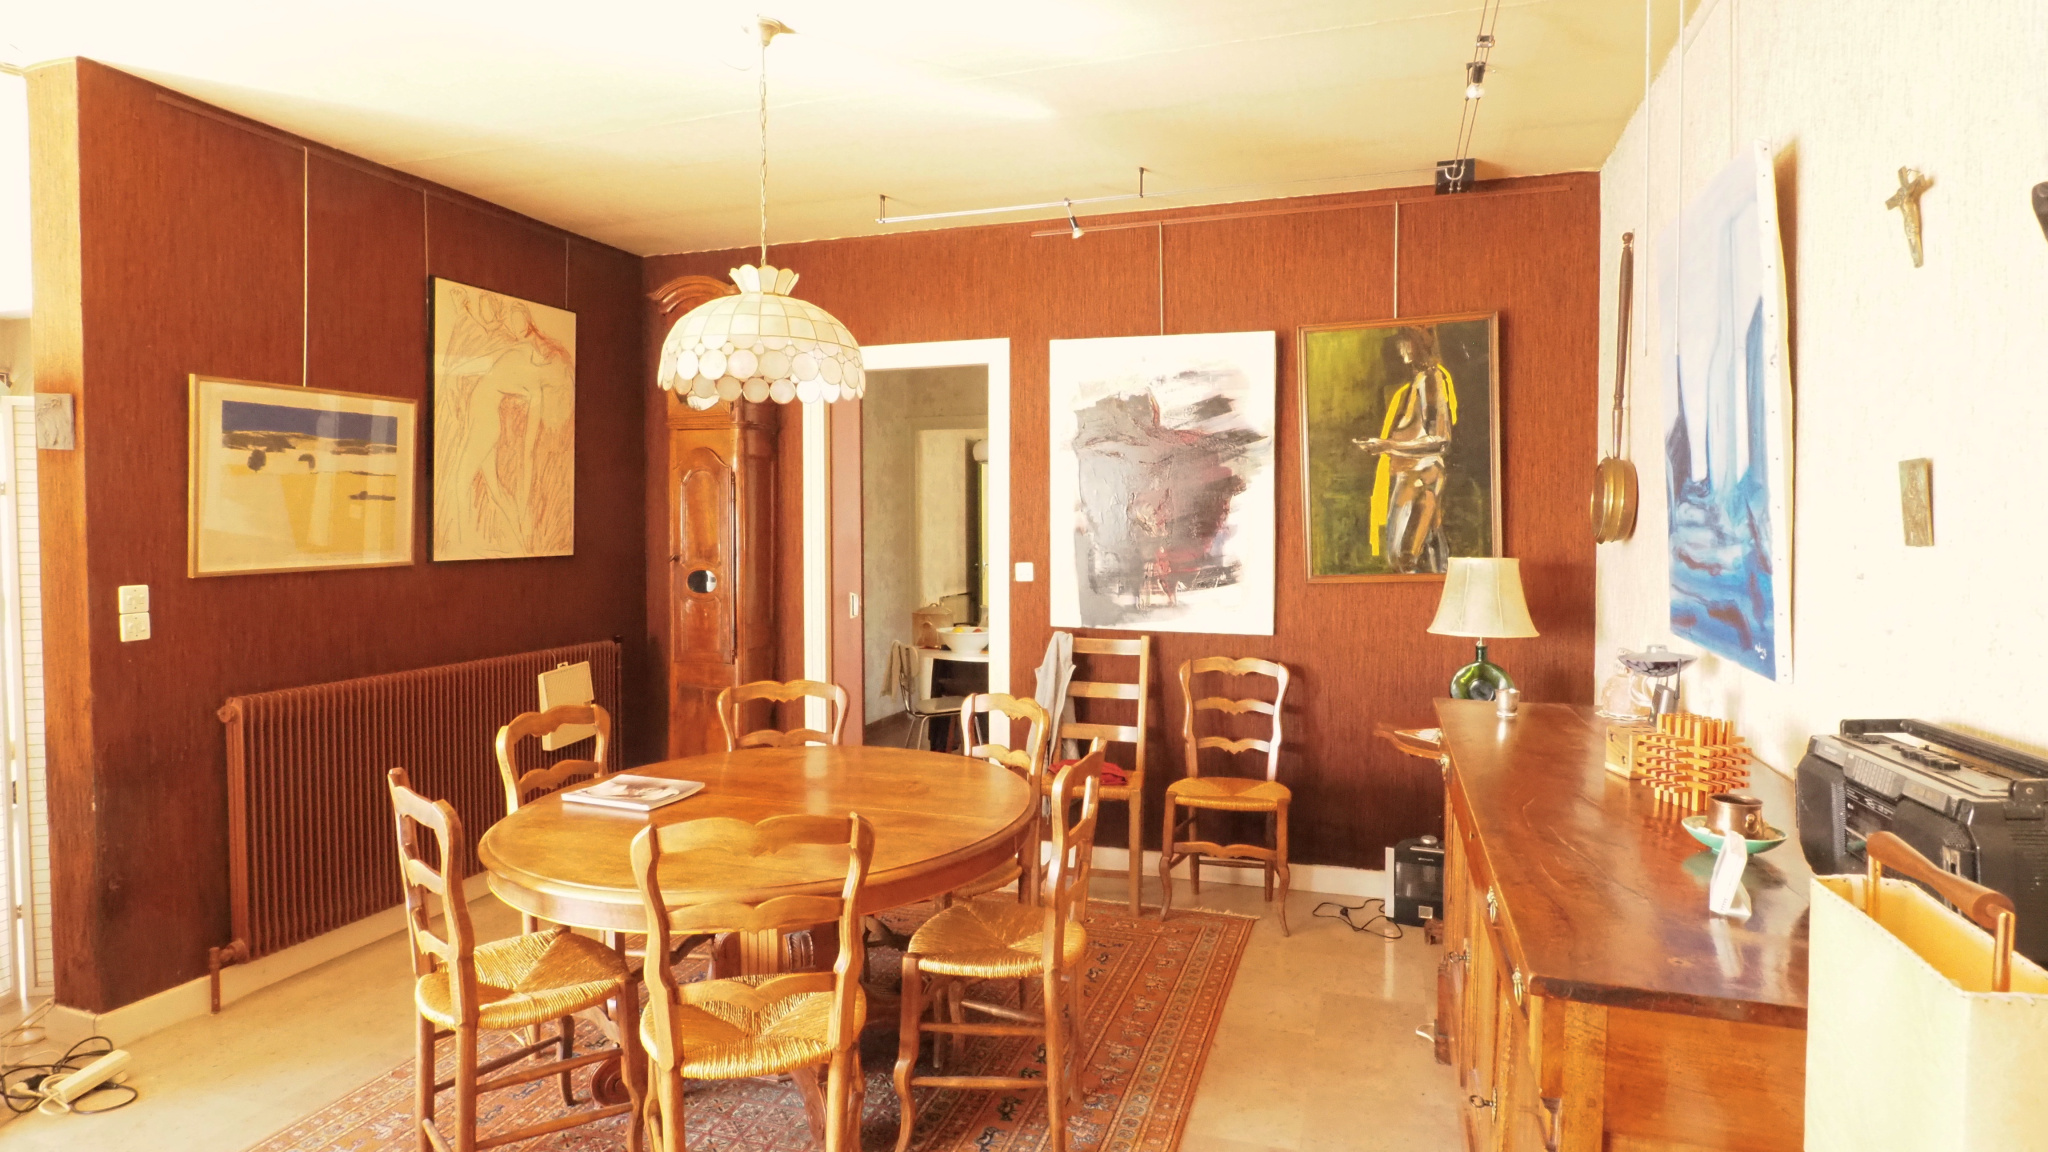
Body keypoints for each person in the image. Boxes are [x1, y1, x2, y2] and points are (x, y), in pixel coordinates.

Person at [1353, 327, 1458, 574]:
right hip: (1413, 476)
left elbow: (1440, 440)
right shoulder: (1417, 382)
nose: (1401, 349)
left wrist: (1387, 446)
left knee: (1404, 559)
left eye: (1405, 342)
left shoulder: (1431, 379)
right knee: (1420, 559)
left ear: (1418, 343)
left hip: (1421, 475)